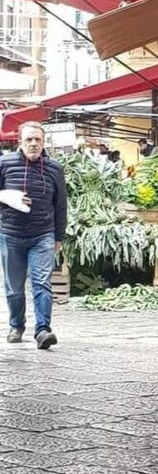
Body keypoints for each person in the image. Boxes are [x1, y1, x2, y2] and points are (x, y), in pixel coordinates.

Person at [0, 121, 67, 349]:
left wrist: (59, 236)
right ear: (20, 141)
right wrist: (7, 198)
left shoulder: (54, 168)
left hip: (43, 235)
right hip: (11, 234)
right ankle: (16, 325)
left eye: (37, 139)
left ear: (43, 142)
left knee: (41, 282)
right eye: (29, 139)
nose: (33, 144)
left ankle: (43, 330)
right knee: (14, 287)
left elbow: (61, 205)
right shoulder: (4, 164)